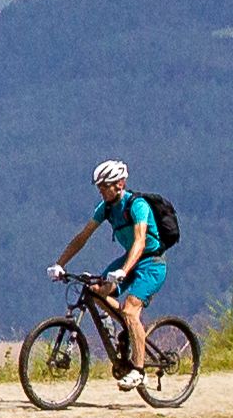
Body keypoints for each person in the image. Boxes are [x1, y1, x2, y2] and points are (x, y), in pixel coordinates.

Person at [53, 158, 170, 376]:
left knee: (131, 308)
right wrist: (60, 264)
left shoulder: (137, 205)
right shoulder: (105, 208)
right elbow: (82, 237)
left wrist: (124, 271)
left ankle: (138, 369)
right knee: (95, 291)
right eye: (99, 187)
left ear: (120, 184)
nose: (101, 191)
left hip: (152, 263)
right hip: (130, 260)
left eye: (104, 186)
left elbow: (140, 241)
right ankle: (128, 326)